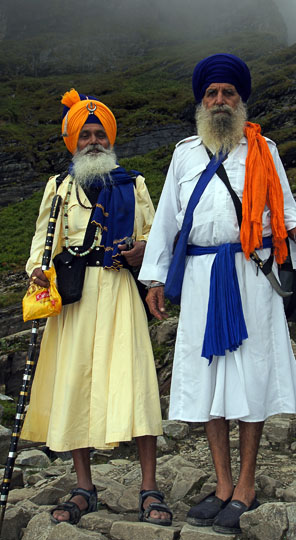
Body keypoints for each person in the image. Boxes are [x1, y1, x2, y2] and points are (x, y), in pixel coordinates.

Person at [139, 54, 296, 535]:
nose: (220, 101)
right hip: (201, 280)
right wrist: (156, 279)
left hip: (251, 276)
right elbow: (167, 224)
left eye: (228, 93)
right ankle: (221, 484)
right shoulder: (183, 154)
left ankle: (245, 486)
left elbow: (286, 219)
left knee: (249, 378)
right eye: (212, 94)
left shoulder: (266, 150)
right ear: (202, 102)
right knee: (209, 380)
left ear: (241, 100)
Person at [21, 89, 172, 527]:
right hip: (73, 298)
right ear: (73, 141)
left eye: (99, 133)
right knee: (75, 384)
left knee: (135, 381)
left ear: (110, 138)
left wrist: (144, 251)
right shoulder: (58, 187)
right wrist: (36, 269)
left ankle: (149, 487)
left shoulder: (135, 183)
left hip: (120, 292)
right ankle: (84, 487)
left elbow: (155, 235)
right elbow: (40, 241)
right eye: (85, 135)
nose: (93, 141)